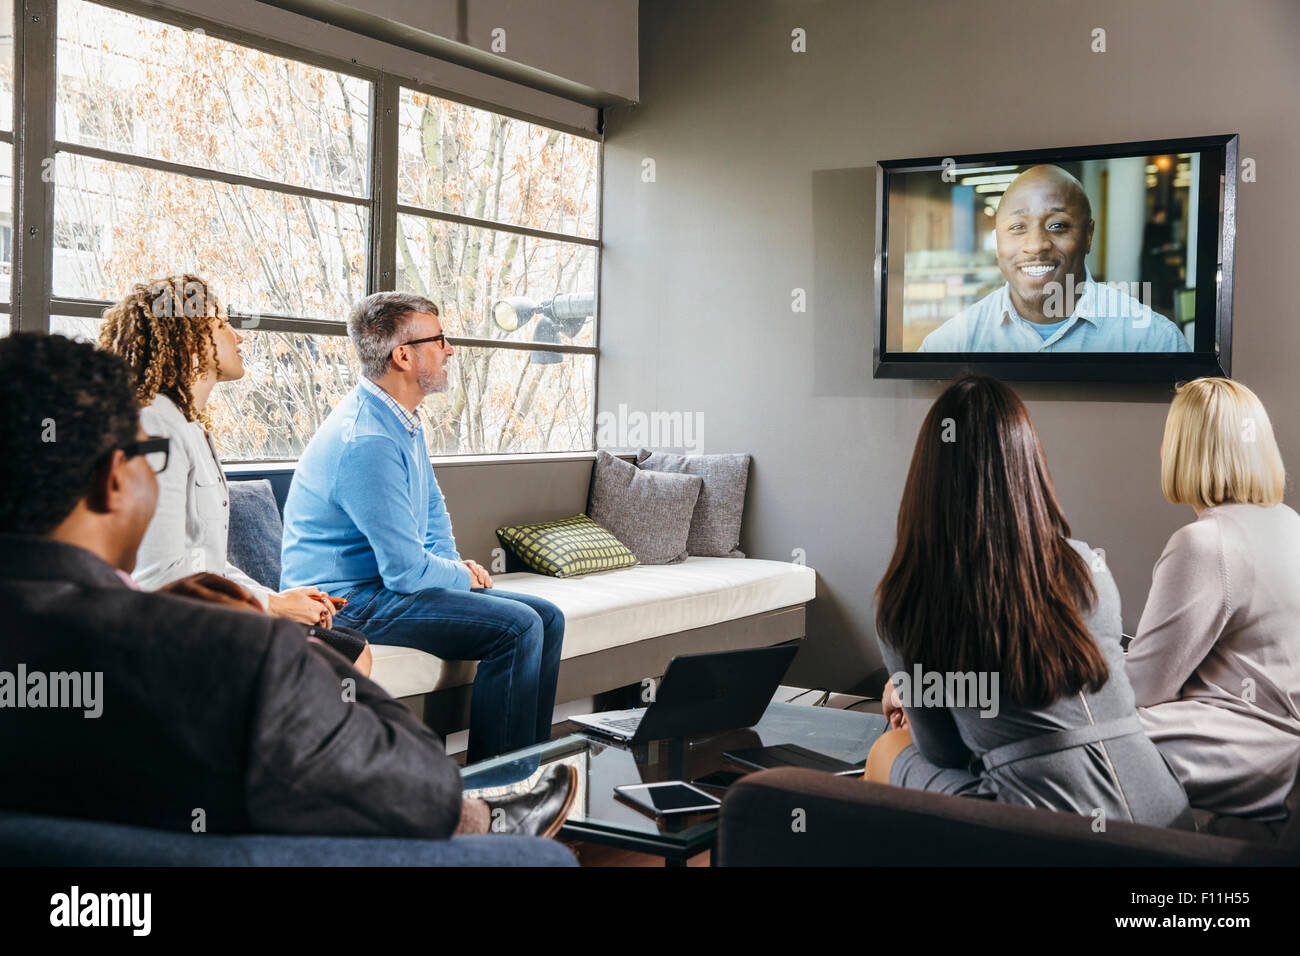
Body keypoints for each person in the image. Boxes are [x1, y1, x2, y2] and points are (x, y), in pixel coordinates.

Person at [0, 332, 576, 839]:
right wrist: (274, 634)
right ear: (113, 482)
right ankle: (499, 819)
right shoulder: (236, 651)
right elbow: (414, 773)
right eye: (148, 458)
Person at [865, 374, 1192, 829]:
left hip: (1050, 829)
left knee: (887, 751)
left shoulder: (910, 595)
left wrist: (916, 695)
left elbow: (946, 753)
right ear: (1028, 463)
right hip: (1164, 812)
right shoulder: (1084, 564)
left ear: (927, 475)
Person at [280, 292, 564, 763]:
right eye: (440, 339)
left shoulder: (401, 420)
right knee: (516, 628)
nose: (450, 349)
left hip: (382, 587)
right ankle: (496, 792)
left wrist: (455, 568)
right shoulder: (366, 439)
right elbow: (405, 573)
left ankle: (526, 774)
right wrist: (462, 578)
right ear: (403, 355)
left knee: (547, 617)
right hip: (344, 601)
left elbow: (432, 509)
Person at [99, 275, 372, 676]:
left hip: (202, 615)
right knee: (346, 658)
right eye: (222, 324)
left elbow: (207, 563)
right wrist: (273, 607)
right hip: (171, 631)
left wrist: (276, 598)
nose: (237, 336)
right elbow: (159, 575)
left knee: (351, 651)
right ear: (191, 340)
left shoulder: (188, 426)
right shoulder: (156, 426)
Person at [1127, 377, 1300, 820]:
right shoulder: (1289, 523)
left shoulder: (1205, 543)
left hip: (1245, 747)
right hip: (1282, 750)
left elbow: (1143, 688)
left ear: (1183, 449)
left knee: (1085, 731)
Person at [918, 165, 1190, 353]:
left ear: (1088, 236)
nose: (1036, 245)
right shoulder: (950, 344)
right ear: (998, 239)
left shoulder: (1154, 341)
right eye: (1017, 227)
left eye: (1058, 226)